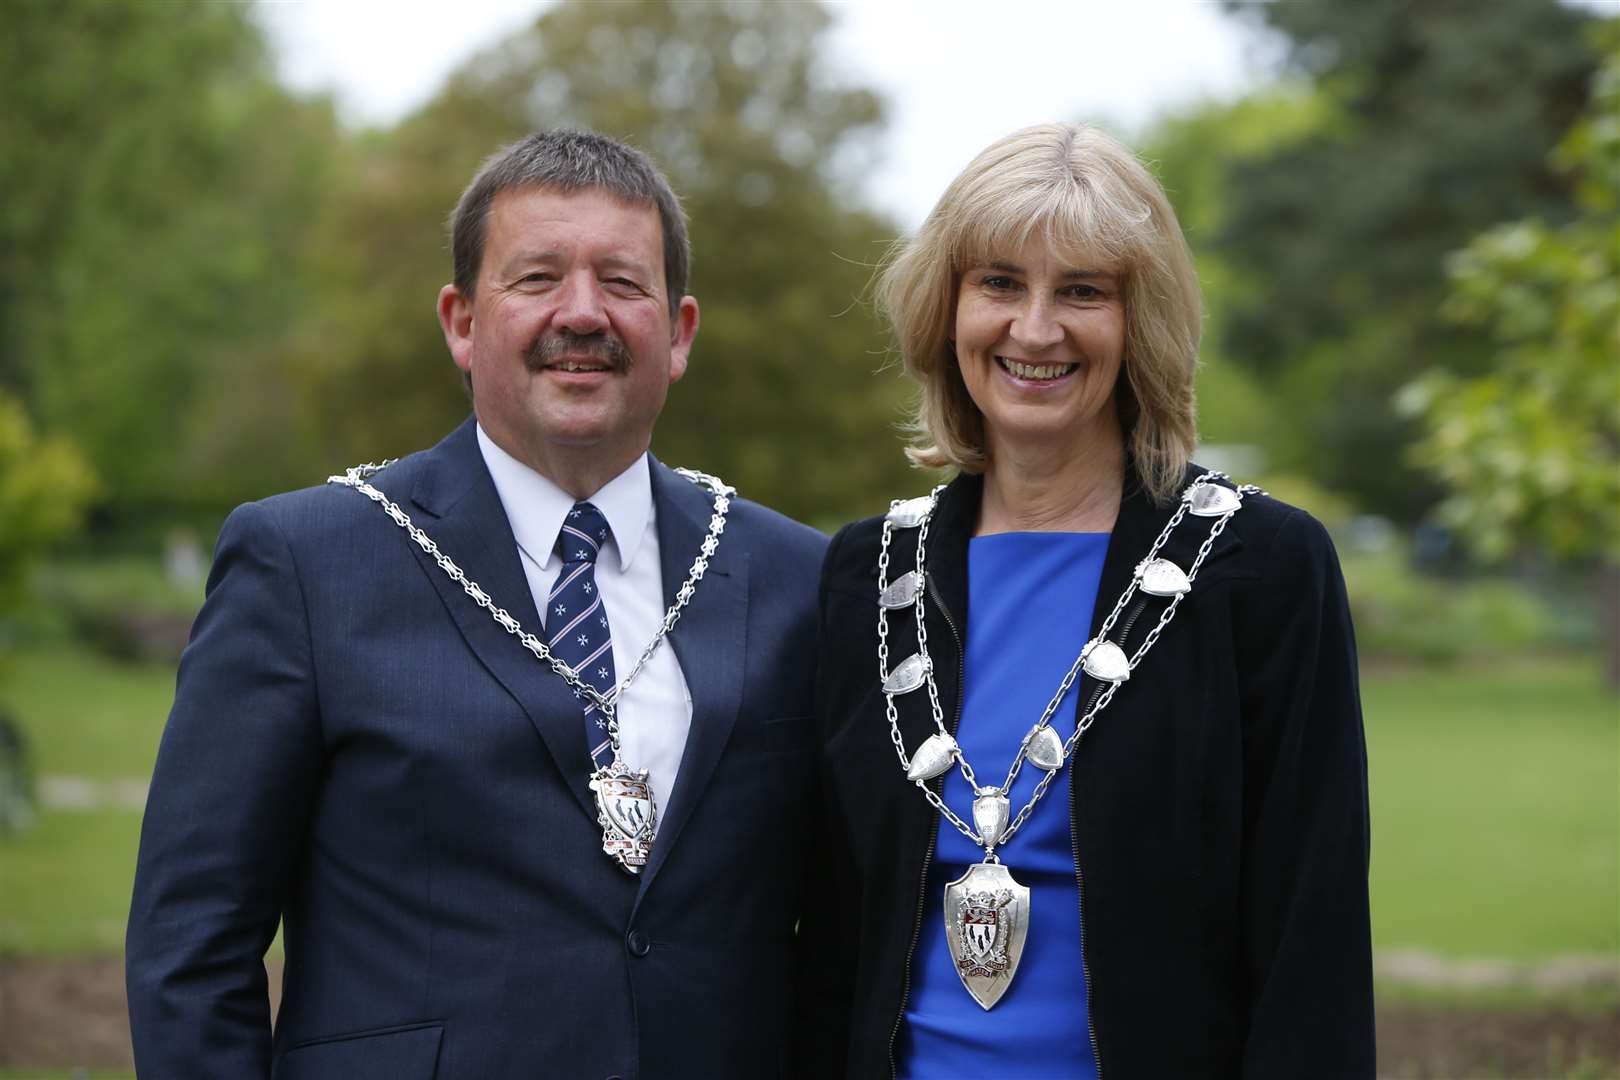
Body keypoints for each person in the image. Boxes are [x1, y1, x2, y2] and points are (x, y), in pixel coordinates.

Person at [126, 131, 827, 1079]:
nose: (582, 314)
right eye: (537, 278)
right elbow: (191, 945)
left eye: (623, 283)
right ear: (461, 321)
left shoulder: (794, 574)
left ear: (682, 332)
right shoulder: (306, 562)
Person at [798, 123, 1374, 1077]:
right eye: (998, 283)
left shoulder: (1262, 568)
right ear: (947, 311)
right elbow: (828, 932)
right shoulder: (867, 572)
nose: (1034, 329)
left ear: (1137, 320)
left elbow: (1310, 934)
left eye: (1082, 291)